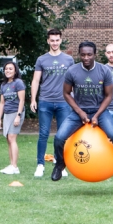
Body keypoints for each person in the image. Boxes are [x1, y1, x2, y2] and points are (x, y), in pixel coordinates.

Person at [52, 41, 113, 182]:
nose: (86, 57)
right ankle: (60, 164)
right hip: (78, 112)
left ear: (95, 54)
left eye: (89, 54)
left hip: (100, 111)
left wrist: (96, 115)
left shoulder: (104, 70)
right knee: (59, 138)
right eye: (83, 55)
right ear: (79, 55)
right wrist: (80, 112)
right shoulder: (72, 71)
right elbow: (66, 93)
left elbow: (109, 96)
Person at [30, 28, 74, 178]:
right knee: (43, 134)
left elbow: (73, 81)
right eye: (52, 40)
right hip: (45, 101)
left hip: (64, 102)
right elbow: (36, 80)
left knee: (62, 135)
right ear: (48, 41)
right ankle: (40, 165)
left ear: (61, 40)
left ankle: (60, 165)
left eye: (57, 40)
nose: (55, 43)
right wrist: (33, 99)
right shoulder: (41, 59)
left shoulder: (69, 60)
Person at [0, 61, 25, 175]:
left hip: (16, 113)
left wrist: (18, 116)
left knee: (12, 138)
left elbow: (22, 100)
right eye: (6, 69)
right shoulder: (3, 85)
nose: (8, 71)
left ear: (15, 71)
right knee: (8, 139)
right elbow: (2, 103)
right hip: (7, 114)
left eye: (10, 69)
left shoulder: (18, 83)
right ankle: (11, 164)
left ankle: (15, 166)